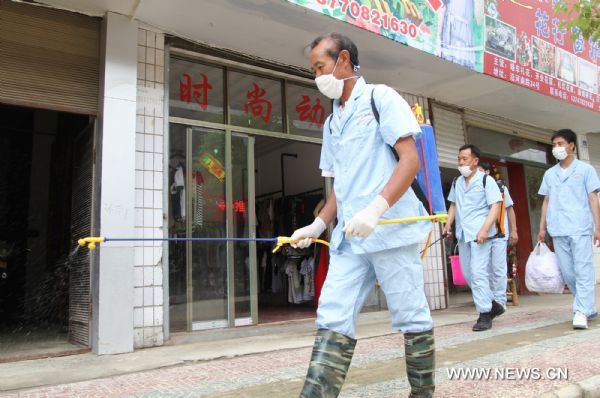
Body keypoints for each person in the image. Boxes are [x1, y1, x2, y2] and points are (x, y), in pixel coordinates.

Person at [291, 33, 435, 398]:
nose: (316, 76)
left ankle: (422, 393)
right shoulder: (331, 122)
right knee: (332, 313)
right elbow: (343, 183)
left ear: (342, 60)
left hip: (388, 230)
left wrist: (376, 208)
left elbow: (411, 159)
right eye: (312, 70)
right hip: (351, 237)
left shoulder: (380, 98)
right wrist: (319, 223)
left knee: (411, 316)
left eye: (319, 67)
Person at [537, 129, 600, 330]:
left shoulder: (585, 170)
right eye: (554, 144)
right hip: (558, 228)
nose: (557, 148)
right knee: (568, 273)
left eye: (561, 144)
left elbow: (593, 198)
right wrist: (542, 228)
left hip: (580, 227)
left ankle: (580, 310)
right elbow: (546, 201)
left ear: (572, 145)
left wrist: (598, 226)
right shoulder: (550, 173)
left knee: (583, 270)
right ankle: (587, 307)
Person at [442, 145, 503, 331]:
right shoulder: (457, 182)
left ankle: (485, 314)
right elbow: (453, 205)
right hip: (463, 234)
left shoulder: (486, 181)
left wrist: (485, 229)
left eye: (465, 159)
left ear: (475, 161)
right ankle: (494, 305)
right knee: (469, 275)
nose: (461, 162)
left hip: (481, 235)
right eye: (459, 158)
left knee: (478, 273)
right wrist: (447, 224)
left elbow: (495, 206)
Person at [478, 161, 518, 311]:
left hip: (500, 233)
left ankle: (500, 300)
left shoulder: (501, 188)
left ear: (487, 172)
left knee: (498, 268)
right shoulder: (476, 189)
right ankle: (489, 299)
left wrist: (514, 230)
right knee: (485, 269)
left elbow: (509, 210)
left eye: (481, 170)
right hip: (483, 235)